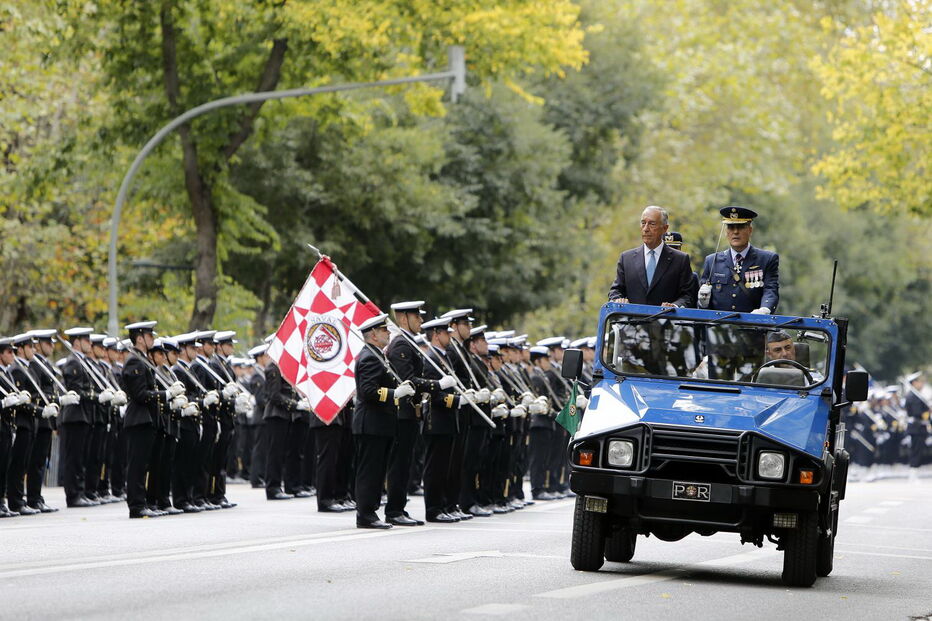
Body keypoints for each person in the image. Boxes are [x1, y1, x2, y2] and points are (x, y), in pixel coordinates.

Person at [352, 313, 413, 529]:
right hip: (371, 423)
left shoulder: (378, 355)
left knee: (377, 471)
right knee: (370, 471)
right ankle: (366, 514)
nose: (388, 333)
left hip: (380, 423)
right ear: (373, 335)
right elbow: (367, 391)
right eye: (384, 330)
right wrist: (395, 393)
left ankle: (370, 511)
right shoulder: (369, 356)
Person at [608, 206, 695, 307]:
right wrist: (618, 300)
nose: (645, 229)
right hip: (633, 321)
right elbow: (615, 291)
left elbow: (688, 296)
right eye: (643, 223)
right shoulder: (626, 258)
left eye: (652, 224)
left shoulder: (680, 260)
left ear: (665, 228)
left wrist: (674, 306)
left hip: (667, 320)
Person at [698, 206, 779, 314]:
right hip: (718, 327)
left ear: (750, 230)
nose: (735, 232)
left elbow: (770, 290)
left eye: (740, 227)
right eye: (731, 227)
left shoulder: (767, 259)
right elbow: (702, 304)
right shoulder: (712, 261)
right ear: (726, 232)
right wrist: (702, 303)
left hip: (752, 325)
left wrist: (765, 309)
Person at [904, 372, 930, 484]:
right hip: (916, 428)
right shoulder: (912, 396)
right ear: (914, 383)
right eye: (919, 382)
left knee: (919, 450)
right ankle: (913, 474)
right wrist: (927, 411)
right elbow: (916, 412)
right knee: (916, 450)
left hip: (920, 427)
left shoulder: (918, 395)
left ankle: (915, 472)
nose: (921, 384)